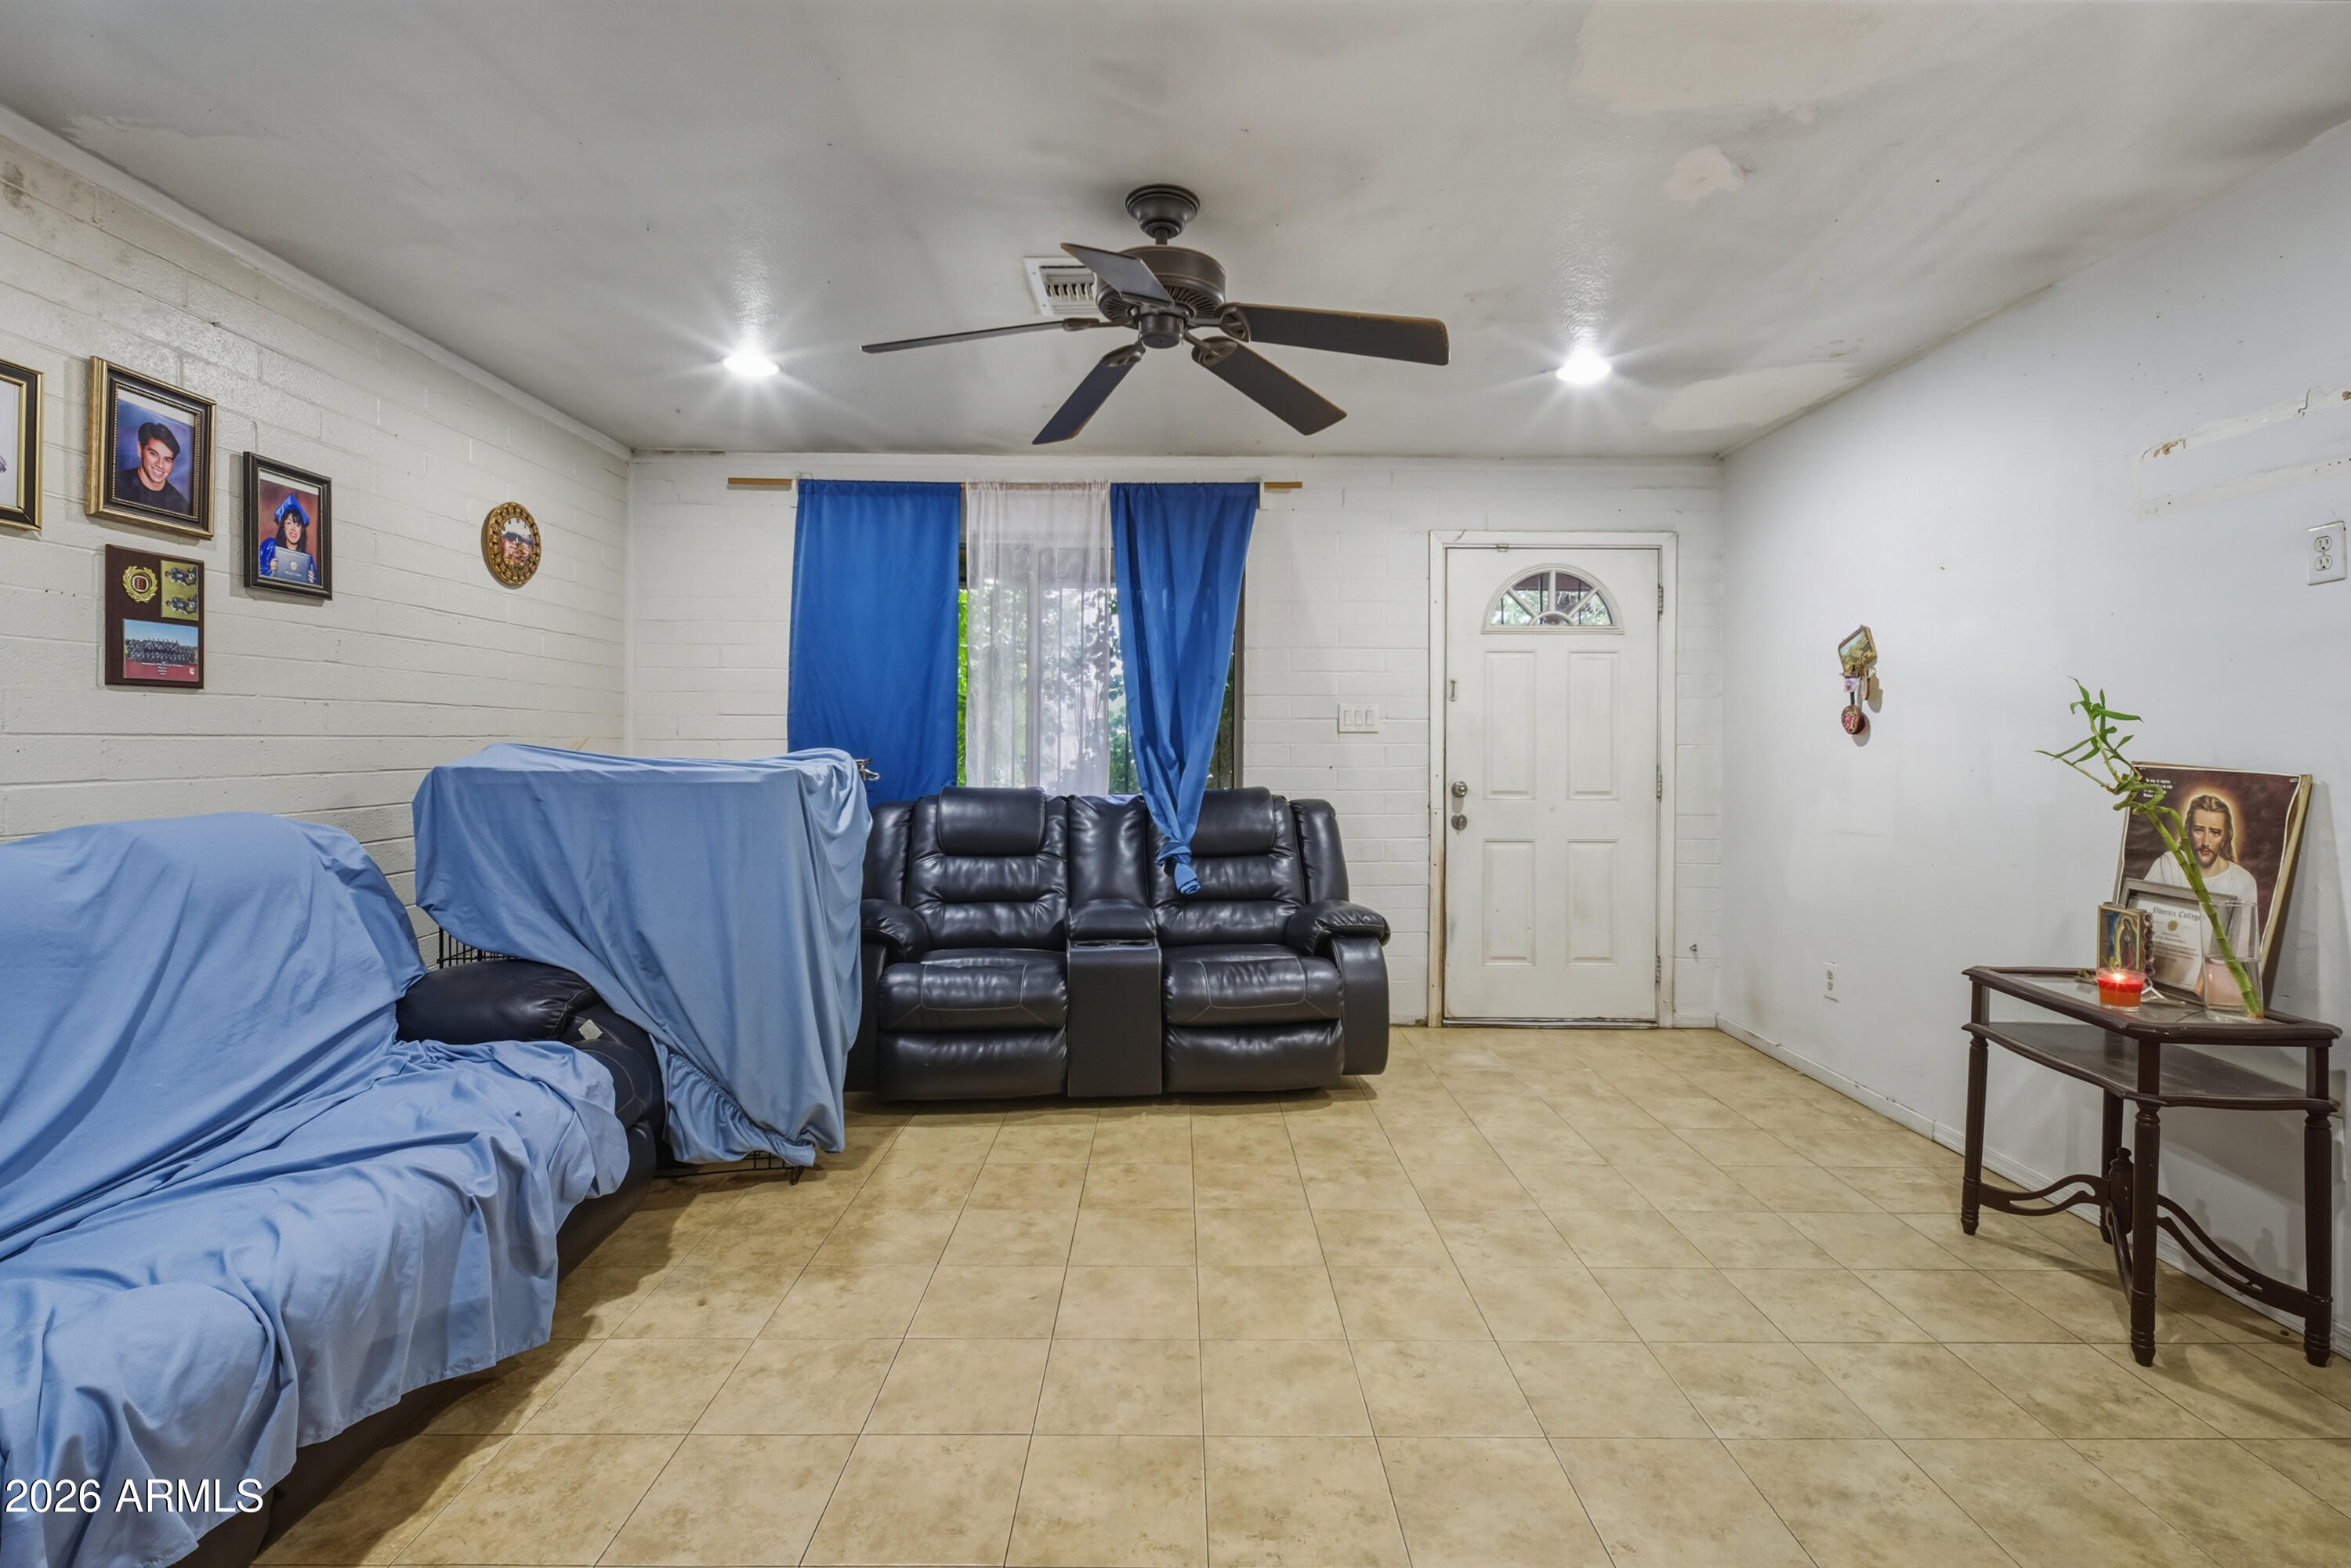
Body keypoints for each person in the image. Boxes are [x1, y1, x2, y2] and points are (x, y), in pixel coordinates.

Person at [2143, 792, 2259, 960]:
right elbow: (2143, 927)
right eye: (2199, 830)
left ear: (2225, 837)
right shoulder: (2168, 865)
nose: (2206, 841)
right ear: (2188, 831)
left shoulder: (2243, 881)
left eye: (2215, 833)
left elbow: (2242, 952)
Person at [116, 420, 190, 514]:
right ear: (140, 449)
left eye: (167, 460)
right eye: (153, 454)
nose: (160, 465)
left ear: (173, 463)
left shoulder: (180, 506)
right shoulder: (116, 483)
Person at [258, 494, 318, 585]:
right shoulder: (270, 546)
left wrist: (312, 582)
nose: (293, 529)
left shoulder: (308, 561)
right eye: (289, 523)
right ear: (283, 527)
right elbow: (254, 570)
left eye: (298, 525)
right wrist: (270, 571)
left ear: (301, 530)